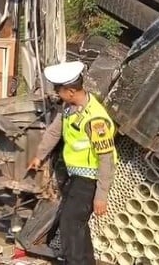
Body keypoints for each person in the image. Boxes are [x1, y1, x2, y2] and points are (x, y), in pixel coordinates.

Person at [27, 60, 118, 265]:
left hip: (89, 180)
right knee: (76, 225)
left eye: (59, 91)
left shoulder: (96, 119)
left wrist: (101, 196)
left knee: (70, 223)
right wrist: (39, 155)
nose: (57, 95)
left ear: (70, 91)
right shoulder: (68, 108)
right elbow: (54, 132)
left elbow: (106, 159)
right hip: (75, 177)